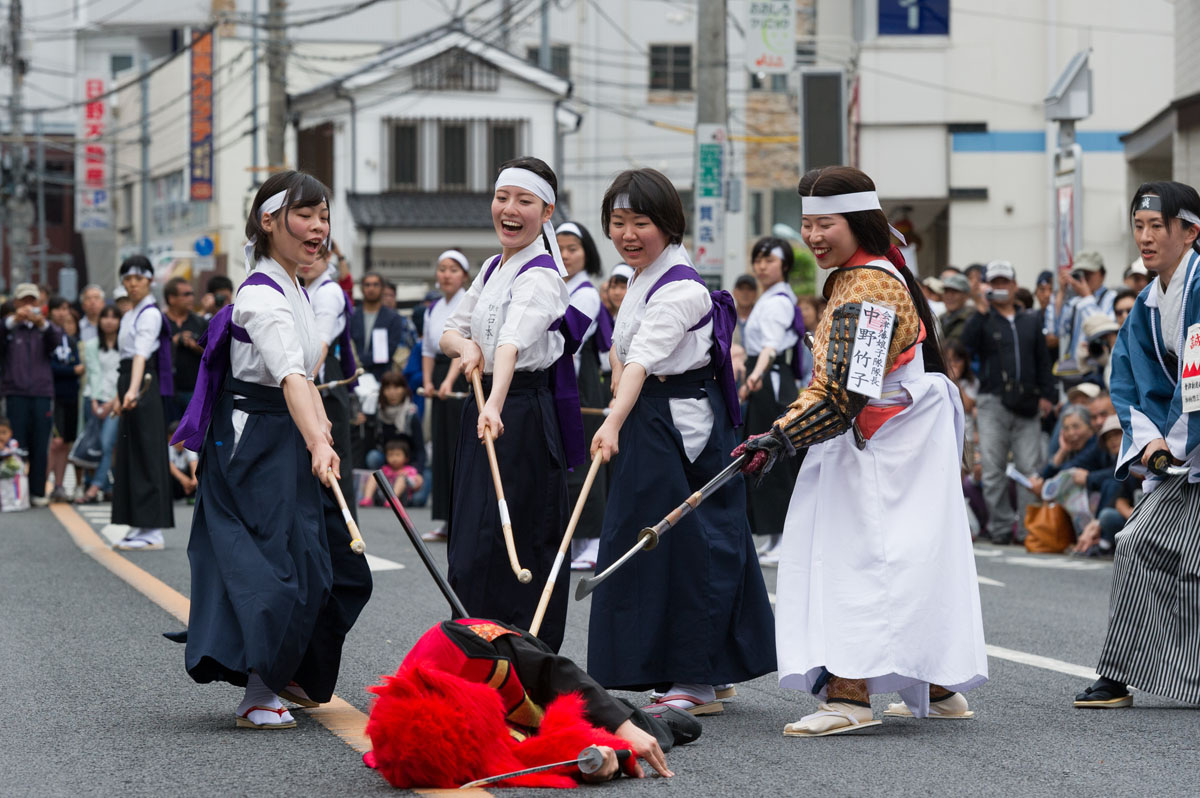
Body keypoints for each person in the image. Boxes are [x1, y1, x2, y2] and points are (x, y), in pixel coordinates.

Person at [739, 165, 987, 735]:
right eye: (807, 224)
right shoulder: (860, 276)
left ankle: (849, 697)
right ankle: (939, 686)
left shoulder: (871, 285)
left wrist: (779, 436)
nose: (814, 236)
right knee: (907, 562)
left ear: (857, 222)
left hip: (881, 438)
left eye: (826, 223)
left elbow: (845, 391)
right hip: (886, 436)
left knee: (854, 561)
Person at [175, 170, 371, 729]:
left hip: (290, 432)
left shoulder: (296, 286)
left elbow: (305, 379)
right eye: (306, 215)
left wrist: (319, 429)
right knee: (276, 568)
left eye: (324, 216)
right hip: (254, 442)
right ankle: (257, 692)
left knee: (335, 563)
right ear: (269, 221)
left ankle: (291, 672)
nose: (318, 228)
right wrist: (316, 438)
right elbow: (287, 374)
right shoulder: (262, 293)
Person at [588, 167, 775, 713]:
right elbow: (626, 356)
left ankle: (692, 680)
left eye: (639, 222)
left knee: (679, 547)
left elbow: (642, 361)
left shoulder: (682, 288)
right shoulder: (645, 275)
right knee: (674, 544)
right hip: (658, 419)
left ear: (668, 224)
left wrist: (612, 420)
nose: (626, 234)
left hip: (674, 426)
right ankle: (705, 673)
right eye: (617, 222)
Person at [439, 156, 579, 653]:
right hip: (484, 410)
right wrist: (464, 347)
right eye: (503, 198)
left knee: (517, 539)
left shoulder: (542, 276)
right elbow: (449, 330)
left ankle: (523, 657)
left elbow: (513, 343)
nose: (510, 210)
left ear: (546, 211)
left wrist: (494, 404)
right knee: (472, 544)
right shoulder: (492, 266)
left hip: (517, 414)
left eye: (524, 201)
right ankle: (472, 651)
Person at [1075, 180, 1200, 710]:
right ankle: (1118, 673)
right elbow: (1129, 383)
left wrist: (1167, 446)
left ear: (1190, 230)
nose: (1145, 238)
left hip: (1186, 445)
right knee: (1138, 543)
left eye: (1157, 226)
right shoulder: (1149, 304)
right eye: (1139, 227)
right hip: (1184, 450)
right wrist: (1154, 445)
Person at [363, 618, 701, 789]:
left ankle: (651, 717)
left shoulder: (469, 648)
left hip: (529, 677)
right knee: (564, 732)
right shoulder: (419, 747)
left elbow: (556, 674)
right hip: (510, 714)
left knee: (647, 730)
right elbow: (533, 759)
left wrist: (624, 728)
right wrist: (594, 763)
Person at [960, 260, 1056, 545]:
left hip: (1028, 403)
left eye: (1005, 282)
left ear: (1014, 286)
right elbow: (967, 346)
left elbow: (1042, 361)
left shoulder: (1030, 320)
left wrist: (1048, 395)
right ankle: (1001, 528)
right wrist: (980, 308)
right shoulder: (982, 318)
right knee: (992, 469)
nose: (1001, 288)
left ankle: (1028, 531)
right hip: (992, 402)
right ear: (989, 286)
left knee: (1029, 469)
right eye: (996, 283)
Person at [739, 236, 802, 566]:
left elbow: (771, 347)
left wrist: (756, 374)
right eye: (758, 260)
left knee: (774, 457)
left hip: (770, 381)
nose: (762, 266)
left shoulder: (777, 301)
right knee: (767, 457)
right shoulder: (771, 297)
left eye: (770, 260)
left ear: (785, 265)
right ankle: (774, 536)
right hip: (764, 377)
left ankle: (782, 537)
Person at [110, 256, 175, 550]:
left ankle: (153, 530)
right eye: (127, 279)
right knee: (131, 452)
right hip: (130, 381)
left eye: (138, 278)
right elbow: (125, 360)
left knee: (147, 452)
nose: (132, 284)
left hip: (143, 383)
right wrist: (119, 393)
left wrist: (133, 390)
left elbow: (141, 355)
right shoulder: (129, 314)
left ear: (149, 280)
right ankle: (139, 523)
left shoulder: (149, 313)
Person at [555, 221, 608, 570]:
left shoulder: (586, 292)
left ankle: (592, 541)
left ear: (587, 253)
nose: (564, 255)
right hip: (560, 385)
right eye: (558, 248)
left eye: (572, 248)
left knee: (585, 464)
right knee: (567, 465)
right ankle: (574, 539)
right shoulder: (555, 286)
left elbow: (565, 335)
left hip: (581, 388)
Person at [297, 244, 359, 514]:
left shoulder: (329, 291)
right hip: (307, 372)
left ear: (328, 258)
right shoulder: (303, 289)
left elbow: (322, 343)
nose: (309, 260)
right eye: (305, 251)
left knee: (334, 454)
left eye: (318, 254)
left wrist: (304, 381)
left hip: (322, 374)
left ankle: (342, 531)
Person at [420, 250, 471, 541]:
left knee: (457, 448)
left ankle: (460, 520)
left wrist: (450, 380)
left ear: (463, 275)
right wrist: (429, 381)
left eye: (453, 269)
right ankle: (445, 519)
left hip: (461, 374)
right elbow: (428, 350)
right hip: (439, 378)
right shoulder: (433, 308)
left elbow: (463, 342)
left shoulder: (467, 301)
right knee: (440, 448)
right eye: (442, 269)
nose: (446, 274)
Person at [1, 283, 61, 507]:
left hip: (42, 393)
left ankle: (36, 491)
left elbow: (57, 341)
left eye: (32, 301)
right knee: (15, 443)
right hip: (14, 391)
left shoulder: (45, 329)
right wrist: (13, 320)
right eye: (23, 301)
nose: (28, 305)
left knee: (39, 443)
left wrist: (42, 324)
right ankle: (15, 490)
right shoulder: (8, 328)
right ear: (15, 303)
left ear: (39, 303)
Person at [77, 306, 122, 504]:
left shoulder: (125, 344)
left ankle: (95, 487)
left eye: (114, 317)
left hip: (117, 401)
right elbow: (93, 374)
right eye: (106, 317)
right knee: (92, 443)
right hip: (93, 399)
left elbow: (124, 375)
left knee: (106, 444)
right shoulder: (92, 344)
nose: (109, 321)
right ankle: (102, 485)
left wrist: (113, 402)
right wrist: (95, 401)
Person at [1054, 250, 1116, 385]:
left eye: (1089, 273)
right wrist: (1061, 292)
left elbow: (1103, 329)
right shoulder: (1076, 302)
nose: (1084, 279)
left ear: (1102, 274)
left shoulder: (1112, 298)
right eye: (1080, 274)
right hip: (1075, 373)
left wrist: (1087, 297)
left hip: (1100, 370)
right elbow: (1058, 330)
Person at [47, 297, 83, 502]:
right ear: (50, 312)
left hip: (71, 396)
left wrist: (73, 370)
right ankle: (42, 483)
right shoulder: (47, 335)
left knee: (65, 443)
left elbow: (78, 364)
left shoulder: (70, 339)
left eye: (66, 308)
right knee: (55, 442)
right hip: (53, 394)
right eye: (59, 309)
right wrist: (72, 370)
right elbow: (48, 366)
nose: (63, 313)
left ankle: (59, 486)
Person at [351, 271, 412, 381]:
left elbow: (390, 349)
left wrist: (363, 360)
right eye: (367, 285)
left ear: (382, 288)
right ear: (361, 288)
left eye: (375, 285)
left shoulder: (393, 318)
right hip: (354, 375)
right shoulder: (353, 316)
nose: (371, 288)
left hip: (381, 377)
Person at [163, 277, 208, 423]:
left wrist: (196, 347)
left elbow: (211, 353)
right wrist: (173, 342)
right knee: (168, 438)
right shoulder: (160, 322)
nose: (191, 298)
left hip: (194, 390)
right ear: (171, 298)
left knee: (192, 438)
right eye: (186, 294)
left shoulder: (200, 322)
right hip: (167, 389)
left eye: (192, 294)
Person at [365, 372, 424, 472]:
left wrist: (417, 471)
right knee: (373, 457)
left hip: (408, 462)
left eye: (396, 387)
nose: (392, 393)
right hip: (386, 460)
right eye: (387, 388)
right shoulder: (378, 413)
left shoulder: (411, 414)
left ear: (404, 389)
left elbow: (420, 449)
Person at [359, 436, 422, 507]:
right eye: (390, 455)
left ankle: (393, 500)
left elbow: (415, 485)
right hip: (384, 496)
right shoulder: (385, 469)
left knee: (401, 478)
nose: (394, 458)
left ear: (406, 457)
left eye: (398, 455)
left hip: (401, 498)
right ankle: (367, 498)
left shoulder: (409, 470)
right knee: (374, 475)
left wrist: (409, 479)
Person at [166, 420, 199, 501]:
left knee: (197, 471)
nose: (180, 442)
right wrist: (183, 479)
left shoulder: (188, 445)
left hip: (189, 480)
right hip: (176, 479)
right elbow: (170, 466)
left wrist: (194, 481)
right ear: (169, 438)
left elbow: (193, 462)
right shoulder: (168, 448)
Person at [938, 273, 972, 343]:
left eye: (954, 292)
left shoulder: (972, 318)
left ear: (966, 296)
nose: (949, 296)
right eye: (946, 291)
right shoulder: (941, 318)